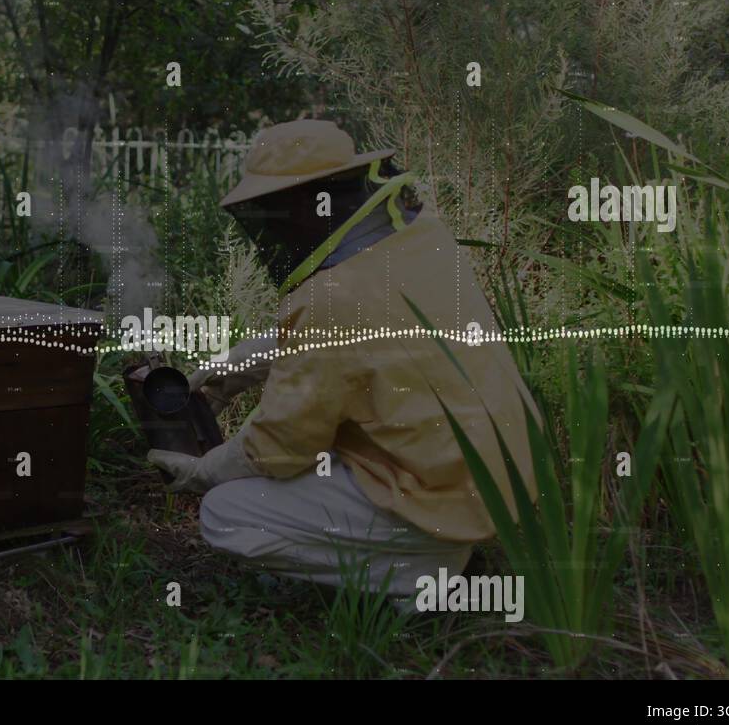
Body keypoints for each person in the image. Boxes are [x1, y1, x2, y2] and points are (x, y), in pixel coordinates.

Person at [147, 120, 537, 598]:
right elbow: (359, 336)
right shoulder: (422, 239)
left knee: (225, 512)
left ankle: (419, 577)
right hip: (500, 476)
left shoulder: (330, 299)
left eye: (277, 209)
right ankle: (434, 546)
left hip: (437, 491)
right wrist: (239, 363)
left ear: (313, 204)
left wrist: (203, 471)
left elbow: (280, 446)